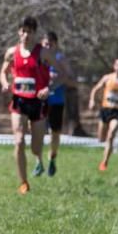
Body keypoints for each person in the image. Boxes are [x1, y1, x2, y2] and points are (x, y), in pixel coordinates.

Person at [0, 18, 63, 194]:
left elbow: (61, 73)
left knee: (36, 147)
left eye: (30, 31)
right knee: (19, 140)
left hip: (38, 102)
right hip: (19, 101)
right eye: (23, 31)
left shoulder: (43, 53)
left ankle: (39, 160)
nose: (26, 35)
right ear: (19, 32)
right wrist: (4, 83)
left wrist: (48, 89)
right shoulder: (12, 52)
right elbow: (3, 72)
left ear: (35, 34)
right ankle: (23, 182)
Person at [87, 57, 118, 171]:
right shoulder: (107, 78)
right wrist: (92, 100)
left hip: (117, 111)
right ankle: (104, 149)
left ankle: (104, 162)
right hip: (105, 109)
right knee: (101, 137)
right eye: (117, 65)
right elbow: (95, 89)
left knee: (111, 135)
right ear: (114, 66)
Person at [41, 31, 71, 177]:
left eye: (51, 43)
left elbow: (68, 77)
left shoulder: (60, 59)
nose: (48, 46)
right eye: (46, 43)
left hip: (57, 100)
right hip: (40, 99)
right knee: (36, 129)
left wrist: (55, 78)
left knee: (54, 133)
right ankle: (38, 161)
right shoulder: (39, 58)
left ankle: (52, 158)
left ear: (56, 45)